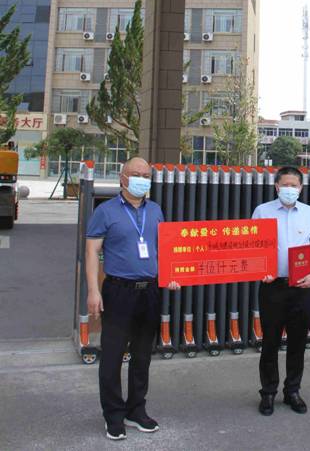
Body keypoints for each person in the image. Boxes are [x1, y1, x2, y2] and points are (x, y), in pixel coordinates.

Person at [86, 157, 179, 440]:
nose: (141, 179)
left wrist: (170, 275)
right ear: (122, 177)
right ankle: (113, 415)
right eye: (136, 174)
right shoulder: (105, 211)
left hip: (149, 291)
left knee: (142, 355)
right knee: (112, 355)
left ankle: (136, 410)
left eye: (146, 175)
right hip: (119, 291)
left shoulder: (156, 210)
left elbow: (164, 250)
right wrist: (93, 290)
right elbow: (92, 252)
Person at [252, 166, 310, 416]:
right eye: (285, 185)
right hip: (272, 287)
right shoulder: (262, 211)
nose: (289, 189)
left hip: (302, 287)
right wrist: (260, 269)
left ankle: (292, 391)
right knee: (270, 342)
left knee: (298, 342)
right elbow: (252, 247)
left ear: (301, 188)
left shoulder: (309, 213)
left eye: (294, 186)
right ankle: (268, 392)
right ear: (276, 187)